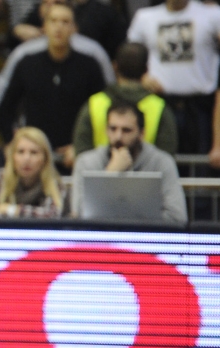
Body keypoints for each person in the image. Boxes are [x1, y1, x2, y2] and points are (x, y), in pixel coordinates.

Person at [0, 3, 106, 170]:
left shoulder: (89, 66)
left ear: (74, 28)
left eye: (65, 22)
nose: (58, 27)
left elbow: (102, 111)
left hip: (76, 155)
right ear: (44, 27)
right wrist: (11, 141)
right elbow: (5, 108)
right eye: (53, 21)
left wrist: (82, 146)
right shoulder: (27, 63)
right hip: (34, 155)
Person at [127, 0, 220, 155]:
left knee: (200, 163)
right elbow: (129, 58)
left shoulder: (212, 14)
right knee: (158, 160)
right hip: (159, 102)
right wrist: (141, 77)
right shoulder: (145, 17)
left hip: (201, 106)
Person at [71, 102, 187, 223]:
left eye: (126, 130)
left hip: (145, 234)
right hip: (102, 234)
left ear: (141, 134)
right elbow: (79, 215)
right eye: (113, 129)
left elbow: (177, 217)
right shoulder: (86, 162)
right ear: (106, 130)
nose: (118, 137)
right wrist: (110, 175)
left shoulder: (162, 162)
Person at [73, 42, 178, 157]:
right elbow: (166, 154)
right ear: (146, 69)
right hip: (148, 169)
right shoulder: (159, 107)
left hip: (99, 168)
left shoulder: (94, 104)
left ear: (114, 67)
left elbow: (82, 153)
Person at [0, 126, 66, 218]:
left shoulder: (54, 184)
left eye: (34, 152)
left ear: (45, 159)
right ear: (12, 156)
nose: (26, 159)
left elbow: (51, 216)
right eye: (21, 152)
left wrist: (13, 210)